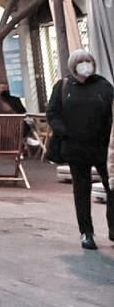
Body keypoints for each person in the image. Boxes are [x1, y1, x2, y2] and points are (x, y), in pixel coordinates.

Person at [46, 49, 114, 250]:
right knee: (81, 189)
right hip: (75, 146)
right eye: (81, 61)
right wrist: (64, 132)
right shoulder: (63, 86)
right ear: (73, 66)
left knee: (112, 187)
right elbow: (52, 112)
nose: (86, 64)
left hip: (102, 147)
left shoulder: (104, 86)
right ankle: (86, 232)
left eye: (88, 61)